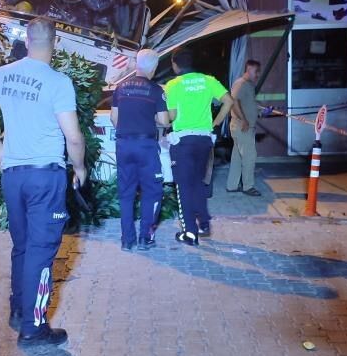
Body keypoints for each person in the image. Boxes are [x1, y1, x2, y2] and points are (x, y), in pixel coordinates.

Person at [0, 17, 86, 346]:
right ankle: (34, 328)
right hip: (45, 178)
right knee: (41, 252)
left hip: (14, 178)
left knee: (22, 247)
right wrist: (80, 168)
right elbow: (73, 138)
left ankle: (19, 310)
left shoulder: (3, 75)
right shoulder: (58, 82)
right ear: (55, 42)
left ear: (27, 40)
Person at [165, 48, 234, 245]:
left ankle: (189, 232)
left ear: (175, 64)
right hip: (204, 140)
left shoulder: (173, 84)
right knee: (198, 182)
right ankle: (203, 223)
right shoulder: (208, 80)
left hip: (183, 141)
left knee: (184, 186)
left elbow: (172, 116)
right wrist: (216, 123)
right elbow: (229, 101)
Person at [110, 49, 169, 251]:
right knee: (152, 191)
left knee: (126, 193)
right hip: (146, 146)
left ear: (137, 64)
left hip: (124, 145)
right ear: (153, 67)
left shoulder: (120, 87)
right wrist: (148, 119)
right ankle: (146, 237)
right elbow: (164, 120)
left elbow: (114, 119)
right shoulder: (156, 90)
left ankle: (127, 240)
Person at [226, 59, 262, 197]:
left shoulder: (248, 85)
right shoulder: (240, 83)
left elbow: (248, 104)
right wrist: (244, 120)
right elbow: (234, 102)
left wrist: (260, 111)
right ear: (248, 69)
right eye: (256, 71)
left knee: (237, 157)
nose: (258, 74)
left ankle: (232, 186)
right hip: (242, 127)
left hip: (243, 126)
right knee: (249, 157)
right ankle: (248, 187)